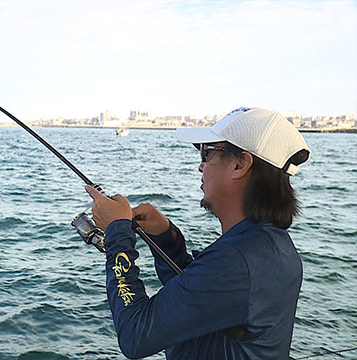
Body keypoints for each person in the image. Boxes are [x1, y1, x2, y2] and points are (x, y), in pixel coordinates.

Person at [85, 107, 311, 359]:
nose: (201, 167)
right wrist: (166, 238)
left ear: (240, 164)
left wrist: (117, 233)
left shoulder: (237, 261)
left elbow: (135, 335)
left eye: (207, 153)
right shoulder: (267, 245)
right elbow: (200, 297)